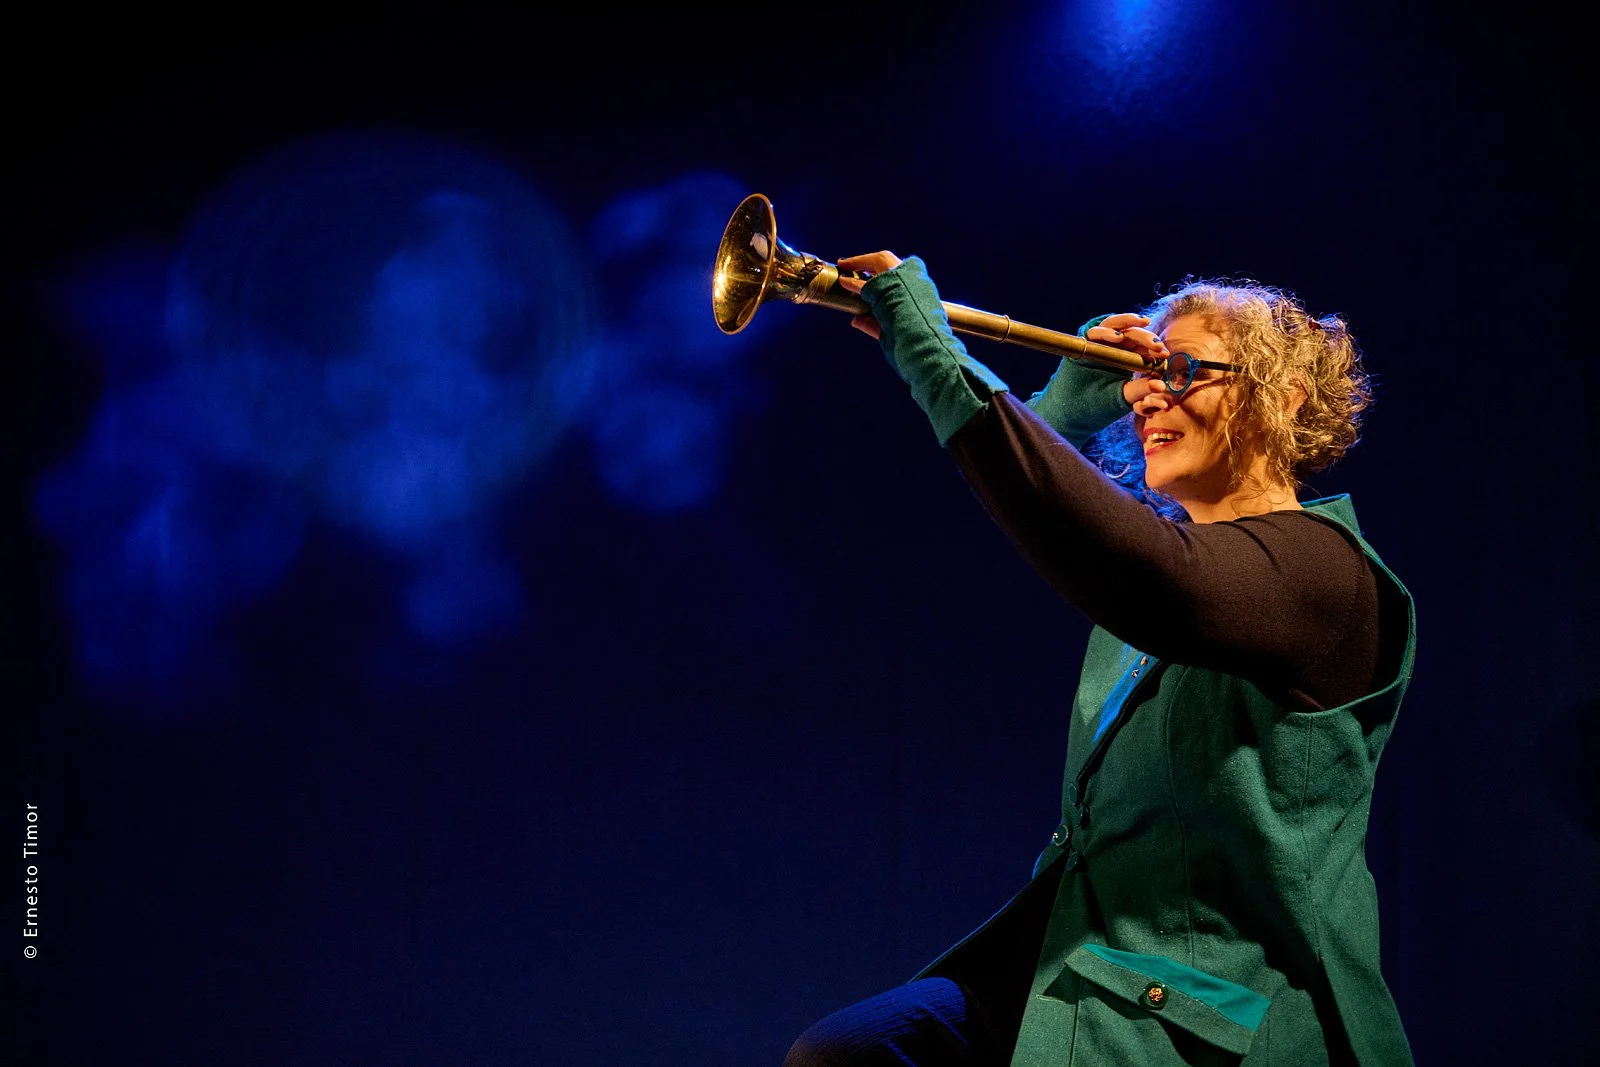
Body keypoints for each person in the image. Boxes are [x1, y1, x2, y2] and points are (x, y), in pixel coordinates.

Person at [781, 251, 1416, 1066]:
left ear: (1286, 396)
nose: (1151, 393)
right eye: (1141, 371)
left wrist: (936, 355)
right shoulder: (1170, 562)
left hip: (1225, 1010)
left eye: (1182, 369)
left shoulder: (1323, 569)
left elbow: (1141, 571)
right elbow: (1058, 525)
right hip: (1103, 968)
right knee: (848, 1054)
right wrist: (1058, 414)